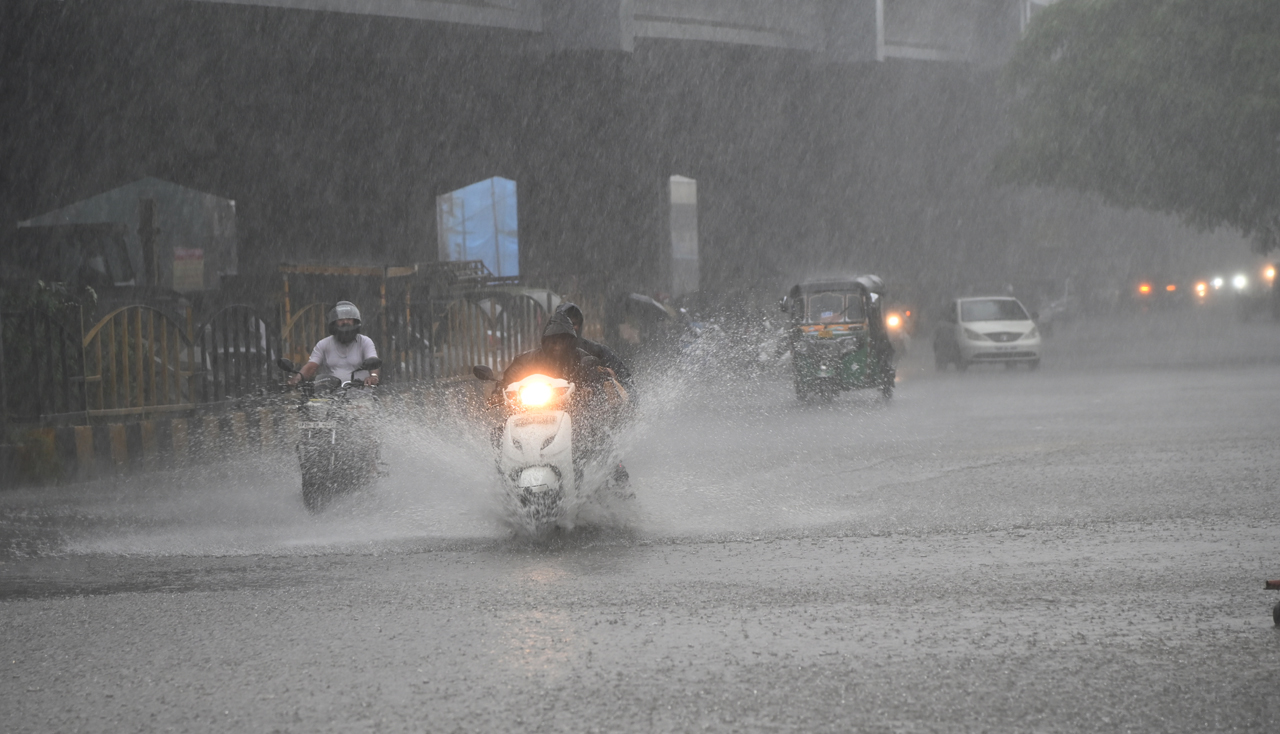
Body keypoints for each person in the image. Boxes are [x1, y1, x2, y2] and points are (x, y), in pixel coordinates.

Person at [289, 300, 381, 387]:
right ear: (334, 322)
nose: (345, 321)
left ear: (354, 321)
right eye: (341, 319)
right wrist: (297, 378)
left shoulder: (365, 341)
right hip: (331, 397)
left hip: (361, 397)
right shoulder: (323, 344)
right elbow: (311, 366)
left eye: (349, 318)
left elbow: (372, 360)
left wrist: (373, 376)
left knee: (361, 405)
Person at [555, 302, 633, 390]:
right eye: (565, 323)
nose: (570, 327)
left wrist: (607, 375)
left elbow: (626, 380)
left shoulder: (597, 351)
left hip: (588, 399)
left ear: (580, 325)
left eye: (574, 324)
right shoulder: (543, 353)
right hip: (549, 400)